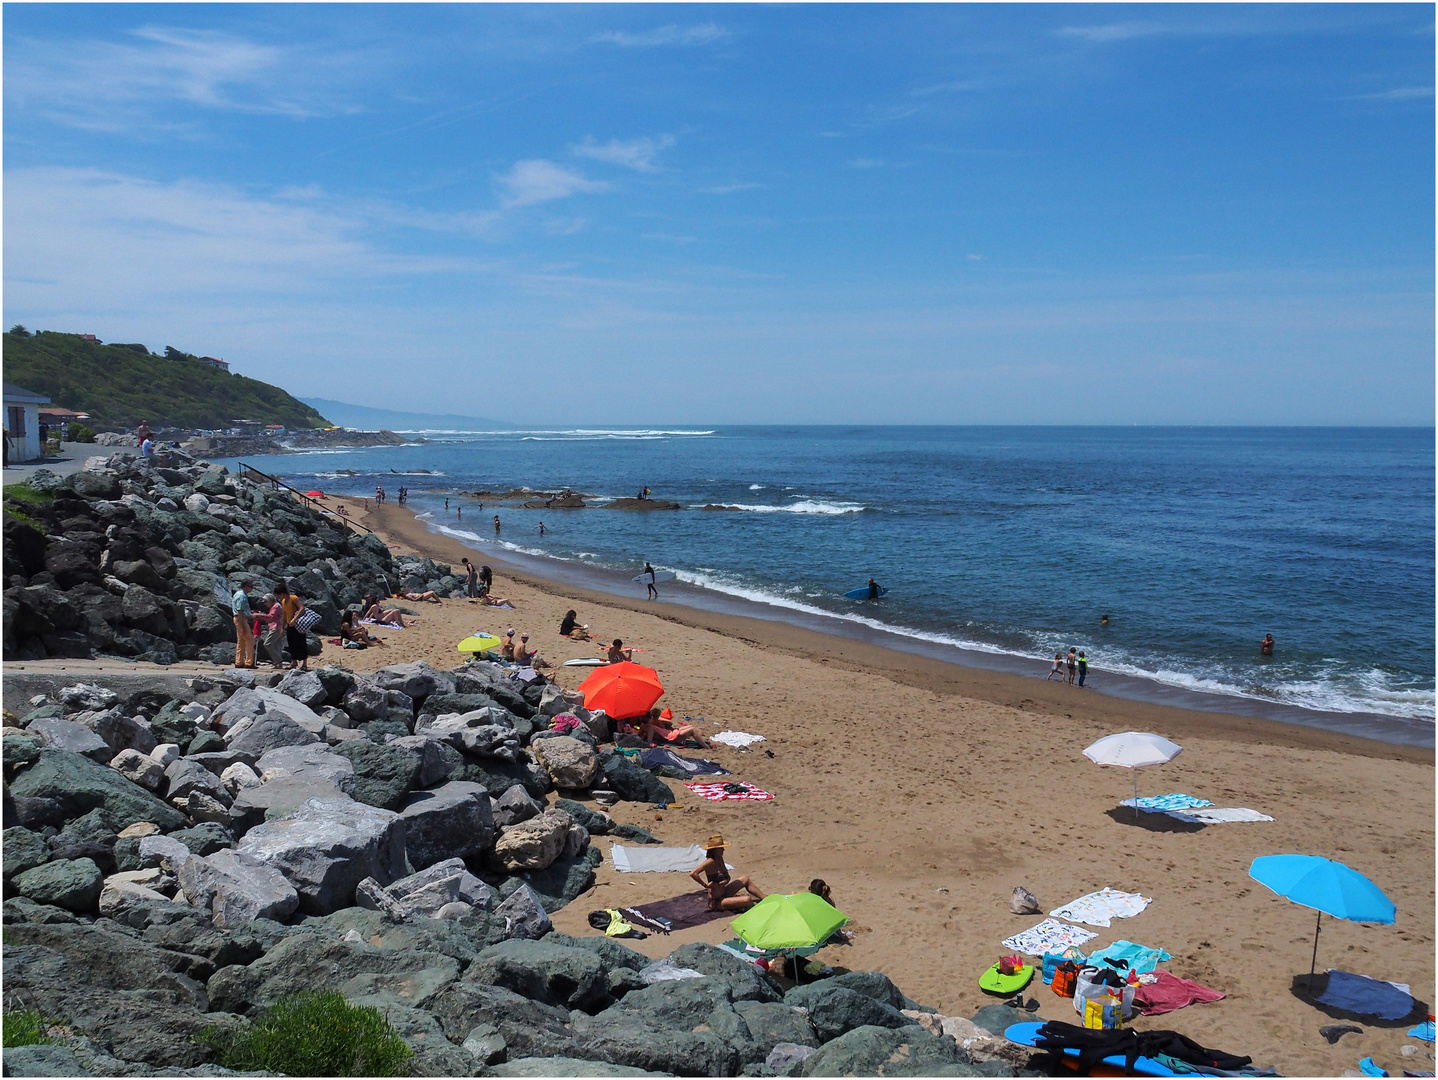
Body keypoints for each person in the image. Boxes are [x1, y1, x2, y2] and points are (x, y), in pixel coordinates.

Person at [690, 835, 765, 913]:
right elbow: (693, 873)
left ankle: (764, 898)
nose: (723, 849)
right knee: (747, 899)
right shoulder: (710, 862)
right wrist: (705, 885)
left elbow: (727, 876)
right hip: (717, 901)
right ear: (715, 850)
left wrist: (726, 880)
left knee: (745, 879)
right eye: (721, 848)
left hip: (724, 892)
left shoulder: (720, 859)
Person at [275, 582, 310, 672]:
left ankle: (304, 664)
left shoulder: (293, 598)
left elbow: (302, 608)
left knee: (301, 643)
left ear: (282, 593)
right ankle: (293, 662)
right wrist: (282, 627)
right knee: (291, 644)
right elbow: (284, 614)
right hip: (290, 625)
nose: (279, 597)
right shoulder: (283, 601)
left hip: (298, 624)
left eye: (279, 595)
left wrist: (294, 619)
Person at [256, 593, 286, 668]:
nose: (265, 604)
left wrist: (260, 615)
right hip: (278, 627)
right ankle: (278, 664)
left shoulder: (276, 607)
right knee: (277, 645)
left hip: (276, 627)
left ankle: (278, 660)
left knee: (267, 644)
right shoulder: (276, 606)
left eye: (266, 601)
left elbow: (270, 618)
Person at [232, 579, 256, 668]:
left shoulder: (238, 594)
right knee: (250, 640)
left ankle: (239, 661)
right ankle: (249, 662)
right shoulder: (242, 596)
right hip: (241, 619)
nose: (252, 588)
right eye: (251, 586)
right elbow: (240, 611)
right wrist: (241, 626)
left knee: (241, 641)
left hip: (238, 618)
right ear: (246, 586)